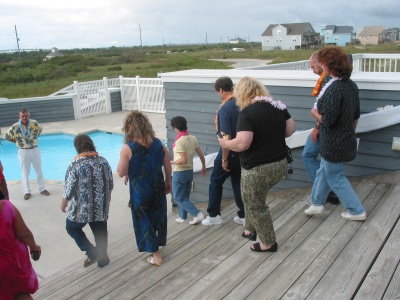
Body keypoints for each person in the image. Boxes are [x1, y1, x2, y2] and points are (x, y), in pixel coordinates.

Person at [219, 77, 296, 252]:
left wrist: (226, 144)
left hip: (257, 168)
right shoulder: (278, 106)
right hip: (280, 164)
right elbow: (290, 130)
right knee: (250, 196)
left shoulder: (247, 113)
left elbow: (242, 144)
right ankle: (250, 229)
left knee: (255, 204)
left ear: (241, 93)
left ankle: (268, 243)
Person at [304, 46, 367, 221]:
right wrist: (349, 134)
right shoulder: (351, 85)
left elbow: (328, 120)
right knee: (323, 171)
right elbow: (356, 116)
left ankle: (356, 211)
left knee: (335, 176)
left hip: (333, 142)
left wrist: (314, 113)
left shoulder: (335, 88)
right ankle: (316, 203)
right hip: (345, 138)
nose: (321, 66)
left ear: (329, 65)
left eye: (322, 63)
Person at [117, 110, 172, 266]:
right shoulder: (158, 143)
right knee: (157, 217)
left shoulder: (128, 148)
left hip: (141, 191)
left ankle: (156, 255)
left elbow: (121, 171)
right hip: (157, 188)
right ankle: (155, 247)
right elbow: (167, 164)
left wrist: (127, 172)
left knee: (144, 221)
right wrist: (168, 182)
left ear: (129, 127)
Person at [61, 134, 114, 268]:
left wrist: (64, 202)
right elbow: (110, 183)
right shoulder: (104, 161)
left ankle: (92, 252)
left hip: (83, 207)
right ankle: (103, 259)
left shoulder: (76, 164)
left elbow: (70, 187)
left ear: (77, 148)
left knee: (71, 227)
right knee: (100, 230)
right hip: (101, 204)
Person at [202, 76, 245, 226]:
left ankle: (214, 215)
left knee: (216, 181)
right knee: (238, 182)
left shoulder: (225, 108)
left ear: (221, 90)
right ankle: (243, 215)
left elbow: (227, 137)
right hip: (244, 150)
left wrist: (224, 159)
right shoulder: (242, 103)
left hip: (230, 151)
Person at [301, 52, 339, 205]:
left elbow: (325, 109)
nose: (313, 70)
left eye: (313, 67)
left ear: (320, 63)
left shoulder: (328, 80)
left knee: (308, 155)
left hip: (324, 127)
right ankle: (328, 191)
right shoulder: (333, 78)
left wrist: (317, 127)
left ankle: (326, 192)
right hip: (329, 127)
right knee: (324, 162)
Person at [4, 109, 50, 200]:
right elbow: (6, 136)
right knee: (25, 172)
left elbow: (39, 131)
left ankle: (42, 188)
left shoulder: (34, 123)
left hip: (35, 149)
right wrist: (17, 142)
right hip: (23, 151)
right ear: (19, 117)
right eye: (22, 116)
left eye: (26, 116)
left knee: (39, 169)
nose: (24, 118)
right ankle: (27, 191)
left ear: (28, 115)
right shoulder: (15, 127)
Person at [0, 199, 41, 299]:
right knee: (21, 292)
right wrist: (33, 247)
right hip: (16, 261)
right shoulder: (6, 207)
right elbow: (25, 233)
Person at [170, 116, 206, 225]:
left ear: (176, 128)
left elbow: (182, 160)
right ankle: (182, 217)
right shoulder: (192, 138)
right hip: (189, 172)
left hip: (180, 172)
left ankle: (197, 214)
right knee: (184, 196)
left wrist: (170, 162)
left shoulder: (180, 141)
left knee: (178, 197)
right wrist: (203, 167)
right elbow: (201, 155)